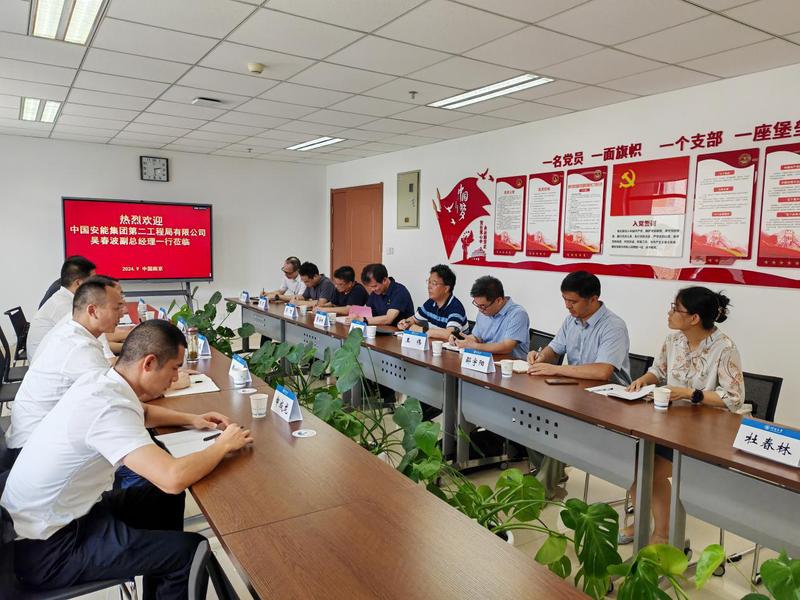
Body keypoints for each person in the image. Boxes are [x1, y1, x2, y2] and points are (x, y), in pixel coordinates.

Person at [1, 320, 252, 598]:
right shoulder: (108, 407)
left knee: (162, 497)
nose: (175, 378)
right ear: (149, 363)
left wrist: (192, 419)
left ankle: (158, 569)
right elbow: (172, 478)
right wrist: (223, 445)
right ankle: (169, 562)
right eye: (174, 368)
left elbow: (142, 413)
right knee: (188, 551)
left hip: (66, 517)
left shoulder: (103, 381)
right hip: (48, 550)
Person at [619, 287, 743, 545]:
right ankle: (641, 521)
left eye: (676, 308)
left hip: (704, 433)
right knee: (630, 461)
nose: (670, 313)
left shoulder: (725, 348)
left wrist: (689, 394)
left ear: (694, 318)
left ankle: (663, 535)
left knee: (649, 470)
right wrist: (644, 380)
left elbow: (733, 398)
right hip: (668, 424)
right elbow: (659, 371)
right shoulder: (673, 340)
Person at [527, 270, 631, 498]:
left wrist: (555, 369)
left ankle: (541, 489)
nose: (567, 306)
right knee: (529, 411)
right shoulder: (571, 321)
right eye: (564, 299)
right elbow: (555, 348)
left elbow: (603, 371)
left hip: (608, 400)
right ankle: (550, 472)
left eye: (572, 301)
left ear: (593, 299)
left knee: (558, 422)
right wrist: (541, 357)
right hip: (575, 391)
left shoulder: (613, 326)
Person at [4, 276, 125, 464]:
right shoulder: (79, 348)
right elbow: (117, 398)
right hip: (32, 449)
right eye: (118, 307)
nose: (124, 312)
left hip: (35, 436)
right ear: (92, 310)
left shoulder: (75, 327)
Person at [27, 256, 97, 359]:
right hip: (48, 362)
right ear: (78, 283)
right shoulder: (62, 306)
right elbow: (93, 338)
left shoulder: (67, 299)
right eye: (93, 281)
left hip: (55, 356)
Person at [451, 275, 529, 359]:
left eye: (483, 306)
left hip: (510, 363)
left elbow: (506, 347)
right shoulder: (484, 310)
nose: (480, 310)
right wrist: (461, 339)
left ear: (499, 300)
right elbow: (477, 338)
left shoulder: (518, 314)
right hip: (487, 359)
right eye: (477, 305)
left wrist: (475, 346)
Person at [397, 264, 467, 341]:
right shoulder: (430, 303)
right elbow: (413, 319)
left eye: (434, 283)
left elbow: (450, 333)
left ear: (446, 288)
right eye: (429, 282)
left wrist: (422, 330)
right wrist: (406, 323)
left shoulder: (456, 308)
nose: (429, 286)